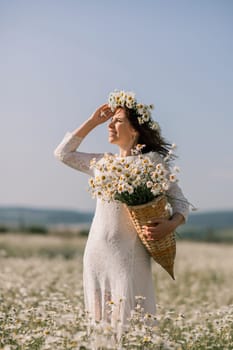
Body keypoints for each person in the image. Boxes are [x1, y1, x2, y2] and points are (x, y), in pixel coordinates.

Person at [54, 90, 189, 332]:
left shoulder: (152, 162)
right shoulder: (102, 163)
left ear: (135, 129)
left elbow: (181, 203)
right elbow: (63, 154)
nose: (110, 125)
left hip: (129, 256)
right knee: (101, 329)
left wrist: (170, 224)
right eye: (110, 121)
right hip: (96, 253)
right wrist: (92, 121)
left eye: (117, 121)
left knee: (131, 328)